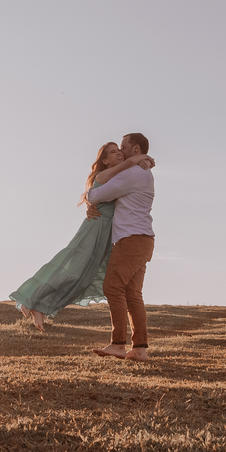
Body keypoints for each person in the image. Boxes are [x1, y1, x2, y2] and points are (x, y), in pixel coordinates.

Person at [10, 141, 155, 331]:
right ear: (104, 160)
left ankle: (43, 307)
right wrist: (145, 158)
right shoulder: (104, 175)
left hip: (108, 232)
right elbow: (110, 181)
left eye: (119, 150)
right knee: (73, 267)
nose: (119, 153)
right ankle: (31, 299)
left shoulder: (122, 175)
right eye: (113, 152)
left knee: (85, 278)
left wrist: (146, 161)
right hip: (95, 228)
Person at [85, 132, 156, 362]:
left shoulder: (133, 174)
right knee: (133, 294)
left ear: (135, 150)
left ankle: (118, 344)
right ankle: (139, 348)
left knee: (113, 287)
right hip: (144, 239)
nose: (120, 152)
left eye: (124, 147)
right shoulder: (140, 171)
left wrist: (89, 198)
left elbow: (97, 194)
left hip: (131, 239)